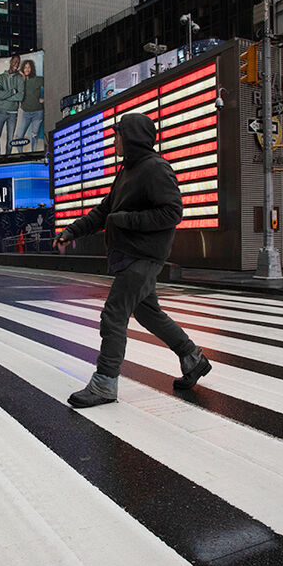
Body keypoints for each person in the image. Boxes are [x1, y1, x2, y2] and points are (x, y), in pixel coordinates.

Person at [53, 113, 211, 408]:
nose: (114, 140)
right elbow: (103, 212)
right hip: (130, 256)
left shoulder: (155, 169)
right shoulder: (127, 170)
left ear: (132, 137)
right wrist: (70, 232)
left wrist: (125, 220)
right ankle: (193, 358)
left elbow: (172, 212)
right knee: (149, 314)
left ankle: (104, 384)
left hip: (144, 256)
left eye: (118, 134)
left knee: (113, 314)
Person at [0, 55, 24, 154]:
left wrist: (5, 97)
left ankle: (7, 158)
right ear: (11, 62)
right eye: (15, 61)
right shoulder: (0, 77)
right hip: (1, 112)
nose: (16, 64)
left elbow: (20, 96)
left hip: (13, 113)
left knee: (10, 140)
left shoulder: (19, 78)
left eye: (18, 62)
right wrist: (12, 91)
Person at [13, 59, 44, 153]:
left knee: (34, 135)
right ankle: (20, 155)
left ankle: (34, 153)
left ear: (32, 68)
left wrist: (44, 99)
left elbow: (50, 85)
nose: (27, 69)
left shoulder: (38, 79)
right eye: (25, 67)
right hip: (25, 113)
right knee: (19, 136)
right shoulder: (20, 82)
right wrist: (22, 78)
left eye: (29, 67)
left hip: (37, 112)